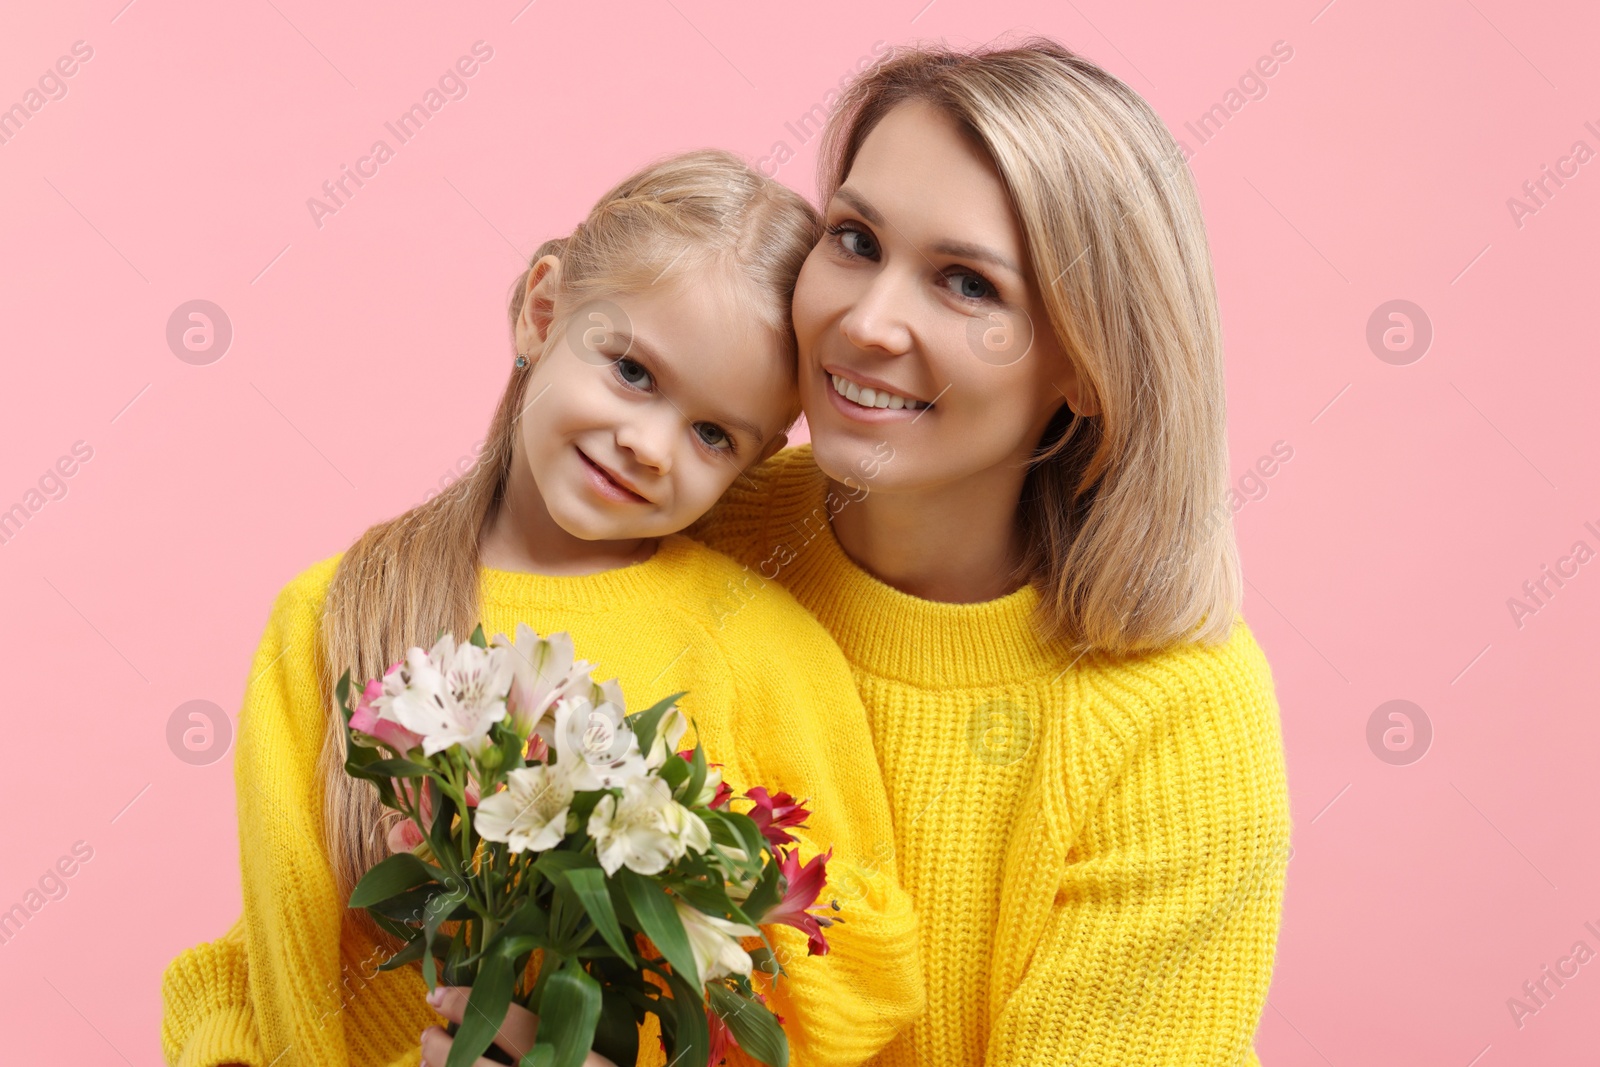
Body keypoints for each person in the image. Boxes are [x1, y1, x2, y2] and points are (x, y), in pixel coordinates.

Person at [160, 149, 923, 1067]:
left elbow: (851, 970)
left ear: (753, 464)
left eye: (713, 433)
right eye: (634, 371)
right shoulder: (329, 616)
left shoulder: (761, 648)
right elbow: (285, 959)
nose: (647, 444)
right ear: (545, 309)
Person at [684, 40, 1294, 1066]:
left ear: (1090, 366)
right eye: (855, 239)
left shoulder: (1175, 714)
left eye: (965, 283)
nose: (866, 322)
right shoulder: (694, 526)